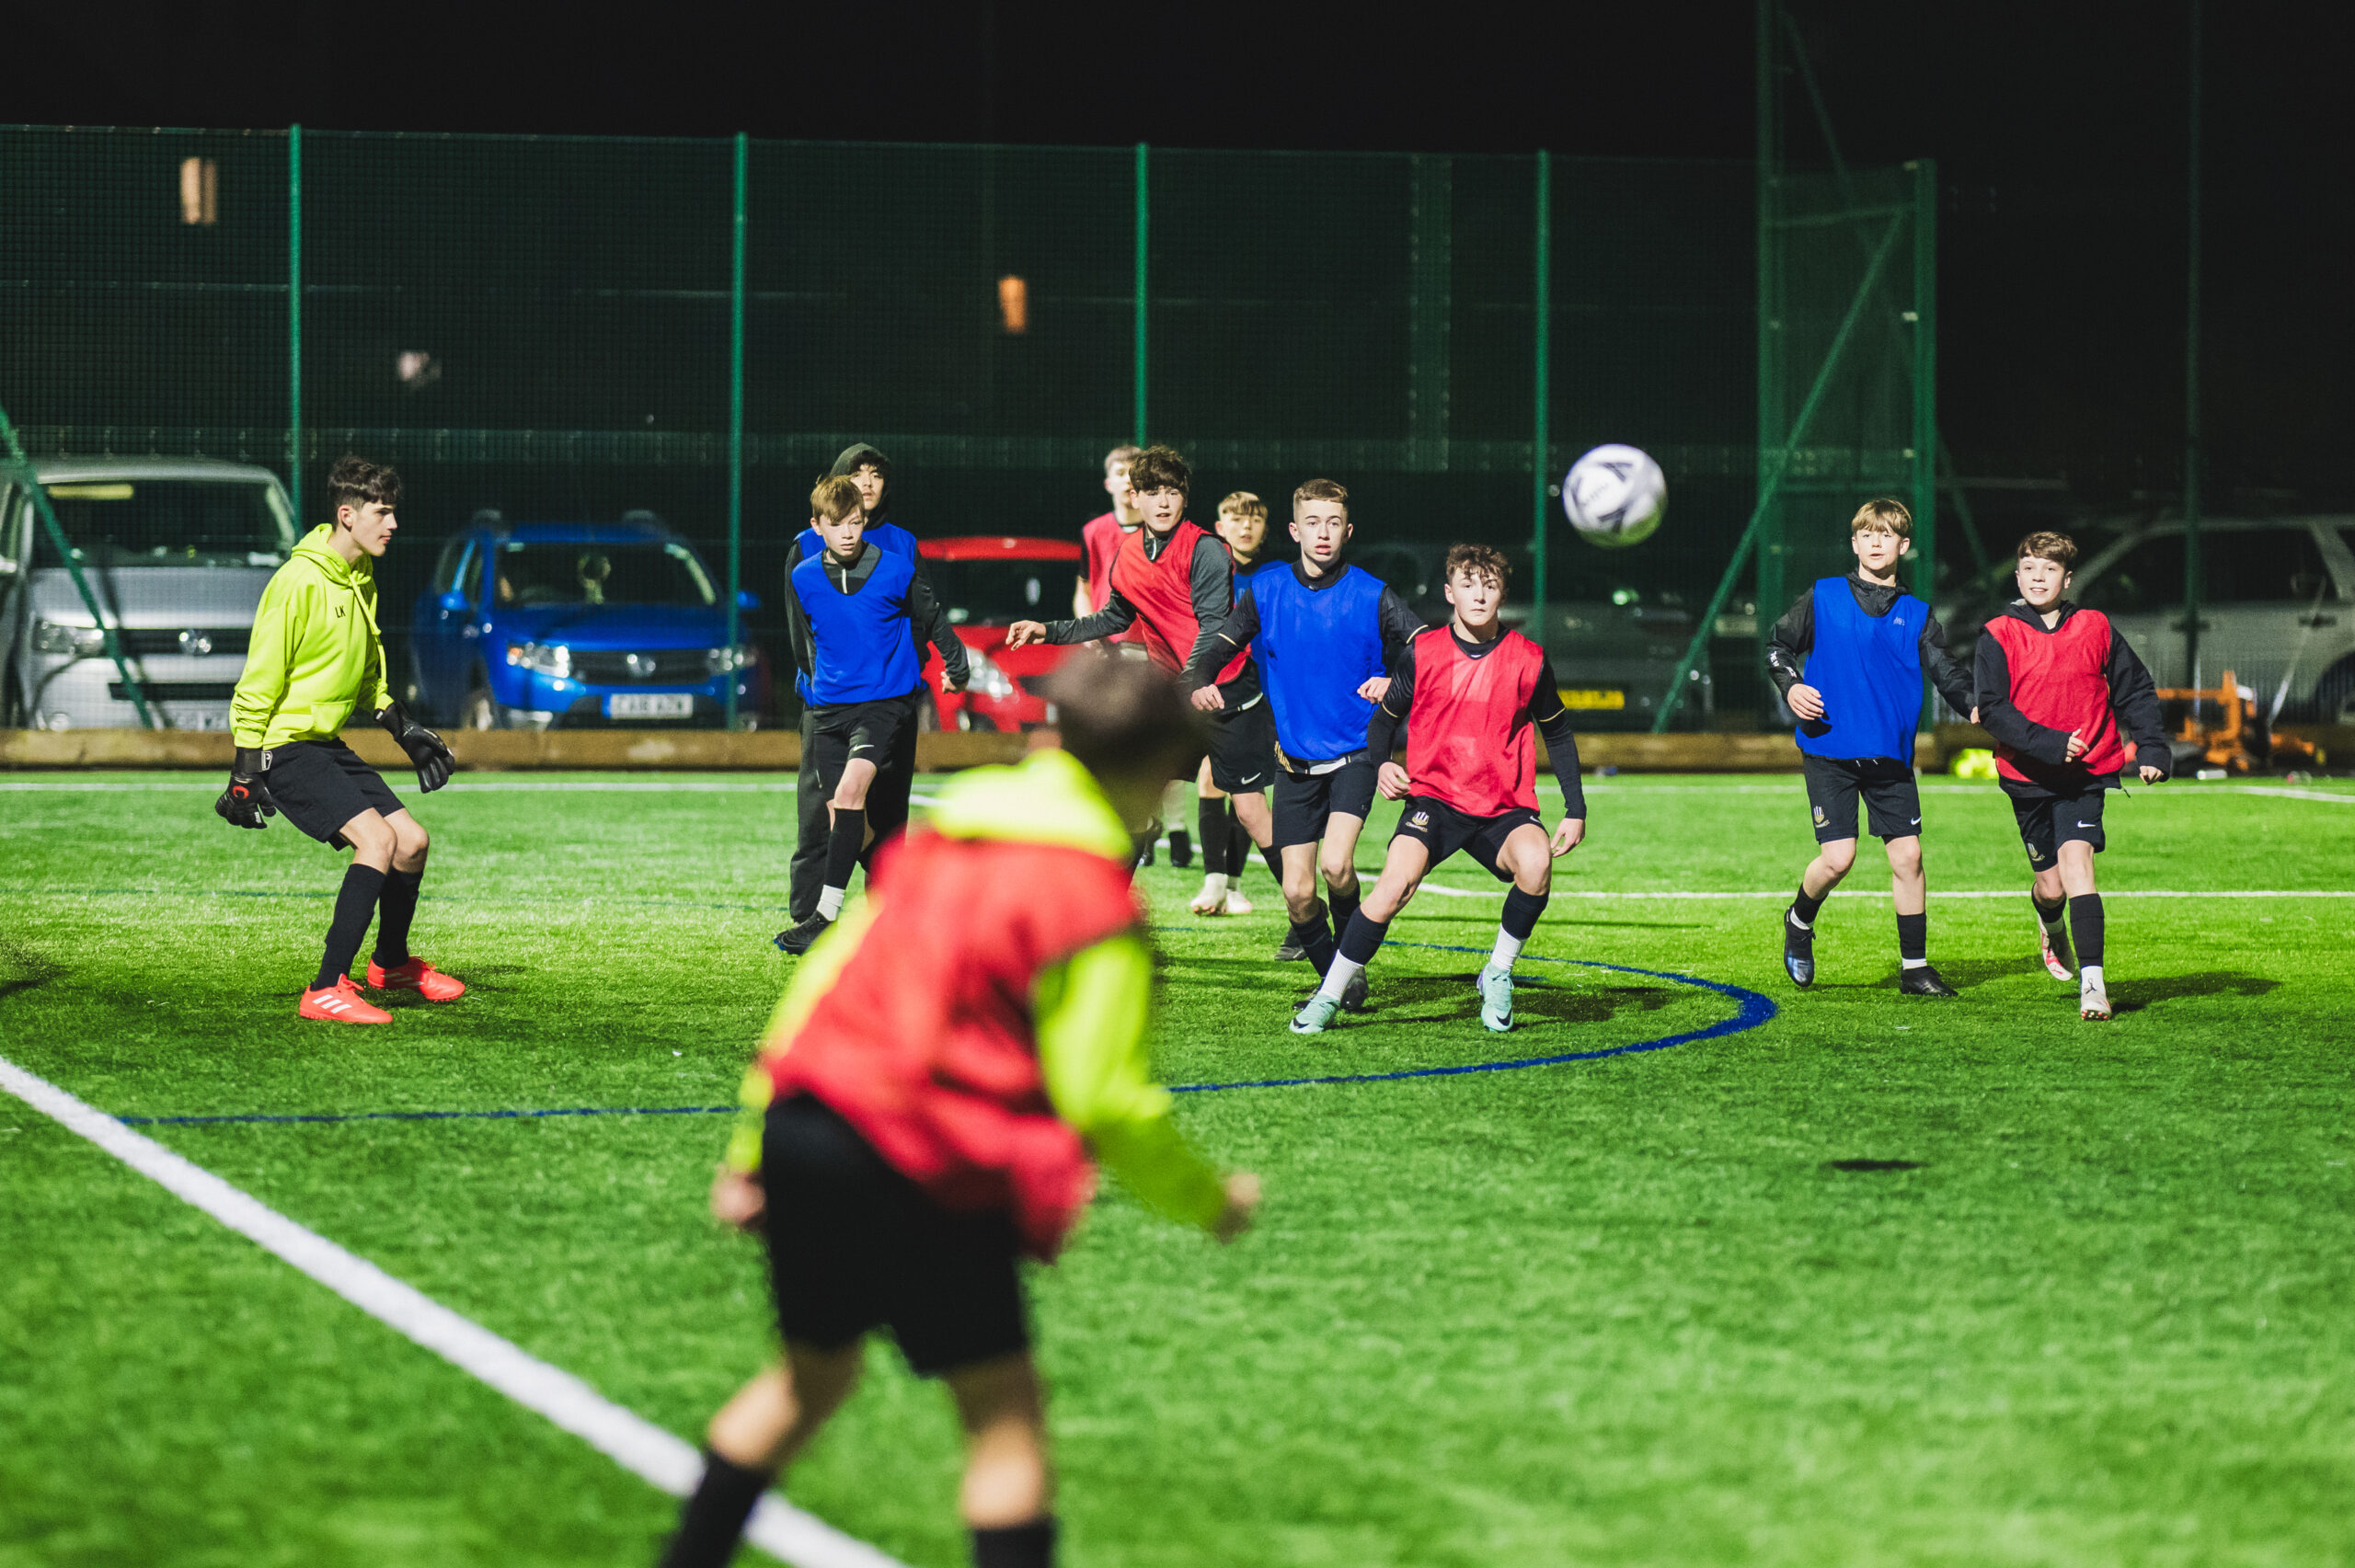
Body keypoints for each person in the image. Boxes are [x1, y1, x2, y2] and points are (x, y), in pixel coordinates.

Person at [657, 656, 1260, 1568]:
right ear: (1151, 772)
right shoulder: (1094, 901)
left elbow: (823, 988)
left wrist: (751, 1146)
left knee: (805, 1382)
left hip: (812, 1125)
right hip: (932, 1155)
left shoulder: (943, 842)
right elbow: (1105, 1097)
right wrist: (1207, 1199)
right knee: (1004, 1422)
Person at [1291, 544, 1586, 1036]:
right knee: (1392, 888)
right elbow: (1385, 718)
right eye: (1468, 585)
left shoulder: (1528, 659)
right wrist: (1382, 764)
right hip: (1435, 799)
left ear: (1502, 595)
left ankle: (1497, 972)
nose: (1479, 595)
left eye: (1489, 586)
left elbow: (1556, 731)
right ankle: (1329, 994)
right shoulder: (1423, 652)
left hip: (1503, 807)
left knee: (1536, 865)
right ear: (1449, 593)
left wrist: (1574, 809)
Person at [217, 456, 461, 1024]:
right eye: (383, 512)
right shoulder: (296, 582)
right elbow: (258, 681)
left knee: (413, 841)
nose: (392, 524)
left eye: (394, 512)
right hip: (282, 747)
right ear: (347, 515)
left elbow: (368, 672)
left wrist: (404, 730)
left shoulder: (360, 578)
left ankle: (392, 964)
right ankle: (325, 988)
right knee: (375, 841)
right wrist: (246, 766)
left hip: (323, 744)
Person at [1188, 480, 1421, 998]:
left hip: (1356, 753)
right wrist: (1199, 678)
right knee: (1297, 892)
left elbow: (1426, 646)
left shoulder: (1371, 592)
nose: (1323, 533)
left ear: (1348, 530)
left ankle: (1345, 968)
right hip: (1293, 764)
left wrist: (1395, 682)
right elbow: (1220, 644)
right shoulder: (1265, 591)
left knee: (1337, 865)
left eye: (1333, 523)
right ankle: (1337, 979)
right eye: (1312, 523)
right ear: (1294, 530)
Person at [1006, 446, 1277, 875]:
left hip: (1227, 694)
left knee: (1250, 814)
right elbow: (1114, 615)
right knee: (1134, 806)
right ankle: (1108, 911)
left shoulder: (1207, 550)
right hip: (1184, 694)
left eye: (1172, 491)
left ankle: (1307, 921)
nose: (1163, 501)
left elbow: (1213, 627)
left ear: (1185, 497)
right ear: (1137, 497)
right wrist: (1048, 629)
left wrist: (1184, 688)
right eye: (1153, 492)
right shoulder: (1128, 553)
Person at [1763, 498, 1980, 997]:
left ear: (1903, 546)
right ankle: (1798, 921)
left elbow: (1947, 672)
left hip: (1889, 757)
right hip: (1829, 747)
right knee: (1838, 859)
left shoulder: (1918, 615)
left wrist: (1974, 704)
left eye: (1887, 535)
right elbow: (1777, 646)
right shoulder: (1824, 596)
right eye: (1867, 533)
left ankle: (1915, 969)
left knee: (1909, 859)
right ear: (1855, 543)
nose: (1876, 541)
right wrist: (1791, 685)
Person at [1973, 530, 2170, 1021]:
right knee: (2053, 887)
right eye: (2030, 569)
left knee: (2079, 867)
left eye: (2050, 570)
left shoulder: (2096, 626)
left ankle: (2093, 987)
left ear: (2067, 578)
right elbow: (1993, 710)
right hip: (2027, 775)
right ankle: (2049, 921)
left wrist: (2150, 746)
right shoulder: (1998, 632)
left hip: (2087, 773)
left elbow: (2136, 689)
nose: (2039, 578)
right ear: (2017, 575)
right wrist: (2048, 743)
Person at [775, 475, 969, 956]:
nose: (847, 532)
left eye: (855, 523)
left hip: (884, 705)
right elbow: (808, 642)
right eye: (836, 524)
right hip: (829, 709)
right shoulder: (803, 577)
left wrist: (957, 668)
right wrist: (814, 689)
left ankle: (824, 917)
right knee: (845, 816)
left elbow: (934, 619)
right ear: (816, 527)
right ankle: (903, 901)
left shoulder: (897, 569)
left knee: (850, 790)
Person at [1187, 490, 1278, 916]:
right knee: (1209, 778)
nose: (1246, 526)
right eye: (1236, 519)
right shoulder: (1209, 572)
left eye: (1254, 519)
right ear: (1219, 528)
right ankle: (1214, 881)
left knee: (1249, 792)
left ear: (1265, 528)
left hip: (1265, 696)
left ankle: (1233, 885)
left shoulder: (1278, 575)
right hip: (1217, 692)